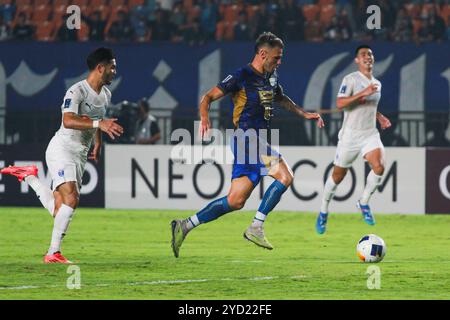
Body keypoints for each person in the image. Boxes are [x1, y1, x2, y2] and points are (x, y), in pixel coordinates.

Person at [170, 32, 324, 258]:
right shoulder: (241, 75)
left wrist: (304, 113)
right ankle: (256, 227)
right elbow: (207, 98)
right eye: (276, 57)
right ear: (262, 54)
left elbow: (280, 98)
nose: (279, 62)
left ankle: (184, 226)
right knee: (286, 175)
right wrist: (204, 117)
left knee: (235, 201)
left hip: (255, 142)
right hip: (247, 139)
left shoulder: (271, 77)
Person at [1, 48, 123, 263]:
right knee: (72, 198)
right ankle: (53, 253)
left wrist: (97, 143)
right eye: (112, 67)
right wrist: (99, 125)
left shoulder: (106, 94)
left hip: (80, 154)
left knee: (61, 209)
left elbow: (97, 121)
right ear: (100, 68)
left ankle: (29, 176)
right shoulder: (76, 92)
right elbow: (68, 120)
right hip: (62, 149)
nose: (115, 70)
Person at [315, 45, 391, 235]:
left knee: (379, 166)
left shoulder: (377, 83)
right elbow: (340, 103)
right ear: (357, 60)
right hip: (350, 136)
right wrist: (362, 93)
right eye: (363, 54)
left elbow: (369, 106)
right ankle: (324, 210)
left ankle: (363, 202)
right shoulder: (350, 80)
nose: (368, 57)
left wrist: (379, 116)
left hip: (369, 134)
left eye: (370, 54)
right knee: (338, 176)